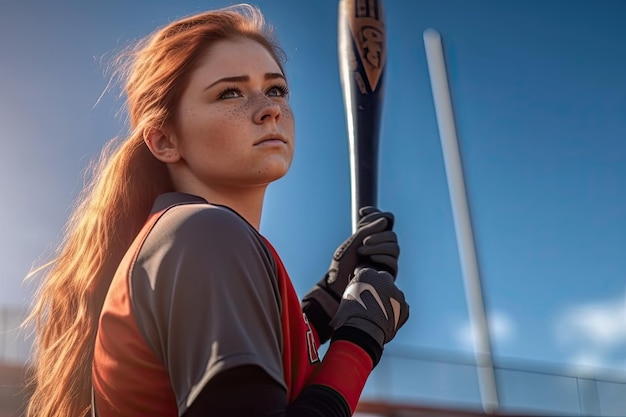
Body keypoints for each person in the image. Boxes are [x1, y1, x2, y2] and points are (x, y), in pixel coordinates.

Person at [24, 4, 409, 417]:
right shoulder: (204, 234)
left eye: (276, 89)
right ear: (164, 140)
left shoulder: (187, 235)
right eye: (230, 92)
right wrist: (358, 340)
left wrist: (329, 299)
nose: (269, 108)